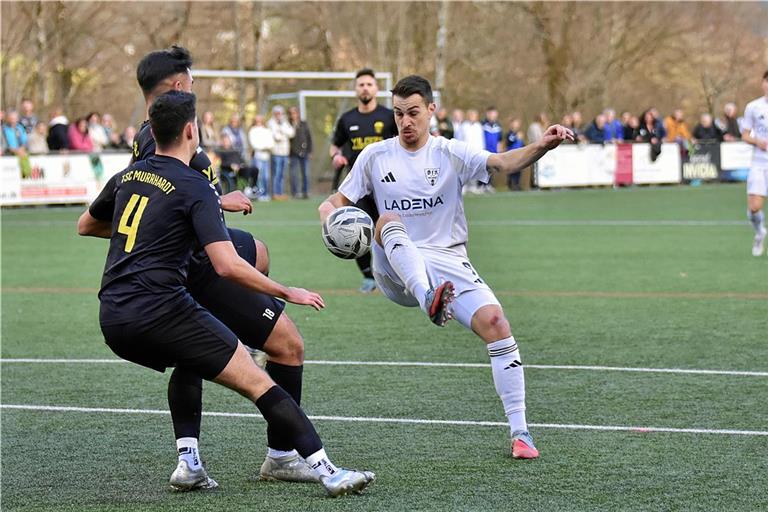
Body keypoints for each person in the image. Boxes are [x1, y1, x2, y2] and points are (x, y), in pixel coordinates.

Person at [93, 90, 374, 496]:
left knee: (193, 359)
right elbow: (227, 266)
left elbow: (87, 224)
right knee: (258, 381)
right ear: (192, 130)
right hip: (163, 311)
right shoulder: (195, 184)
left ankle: (189, 463)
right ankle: (328, 471)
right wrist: (285, 290)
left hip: (114, 317)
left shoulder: (125, 177)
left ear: (151, 131)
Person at [319, 75, 574, 460]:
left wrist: (543, 144)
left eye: (414, 113)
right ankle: (427, 299)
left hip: (448, 261)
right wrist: (329, 223)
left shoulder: (450, 152)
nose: (405, 122)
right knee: (387, 220)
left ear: (431, 111)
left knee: (497, 325)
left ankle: (521, 434)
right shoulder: (375, 156)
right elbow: (334, 202)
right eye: (400, 114)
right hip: (396, 268)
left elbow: (503, 162)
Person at [328, 68, 398, 293]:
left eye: (369, 84)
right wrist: (335, 156)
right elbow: (335, 144)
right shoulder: (347, 119)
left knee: (391, 229)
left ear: (376, 88)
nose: (365, 88)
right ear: (356, 89)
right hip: (356, 187)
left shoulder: (389, 116)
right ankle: (368, 276)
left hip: (388, 185)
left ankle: (396, 273)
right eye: (361, 85)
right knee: (355, 230)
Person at [741, 70, 768, 257]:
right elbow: (745, 134)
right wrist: (757, 141)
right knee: (754, 207)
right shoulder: (753, 107)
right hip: (759, 162)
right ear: (763, 83)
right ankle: (759, 232)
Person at [267, 105, 294, 200]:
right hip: (276, 152)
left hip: (285, 152)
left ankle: (280, 193)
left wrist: (281, 130)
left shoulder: (284, 122)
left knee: (282, 174)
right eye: (277, 113)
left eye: (280, 113)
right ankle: (275, 193)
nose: (279, 115)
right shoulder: (271, 123)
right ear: (274, 114)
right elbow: (276, 137)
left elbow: (291, 133)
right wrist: (284, 134)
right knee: (276, 174)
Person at [248, 114, 274, 201]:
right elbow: (254, 144)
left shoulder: (267, 130)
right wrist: (263, 146)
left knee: (266, 176)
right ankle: (260, 194)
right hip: (258, 156)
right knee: (259, 176)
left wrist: (265, 146)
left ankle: (266, 193)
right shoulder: (252, 131)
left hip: (266, 156)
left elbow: (271, 143)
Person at [288, 106, 312, 199]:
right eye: (291, 113)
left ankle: (305, 192)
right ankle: (295, 192)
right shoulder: (288, 124)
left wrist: (309, 151)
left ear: (297, 114)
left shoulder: (303, 124)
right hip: (293, 153)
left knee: (305, 173)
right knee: (294, 174)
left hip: (304, 152)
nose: (293, 115)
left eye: (294, 113)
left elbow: (309, 138)